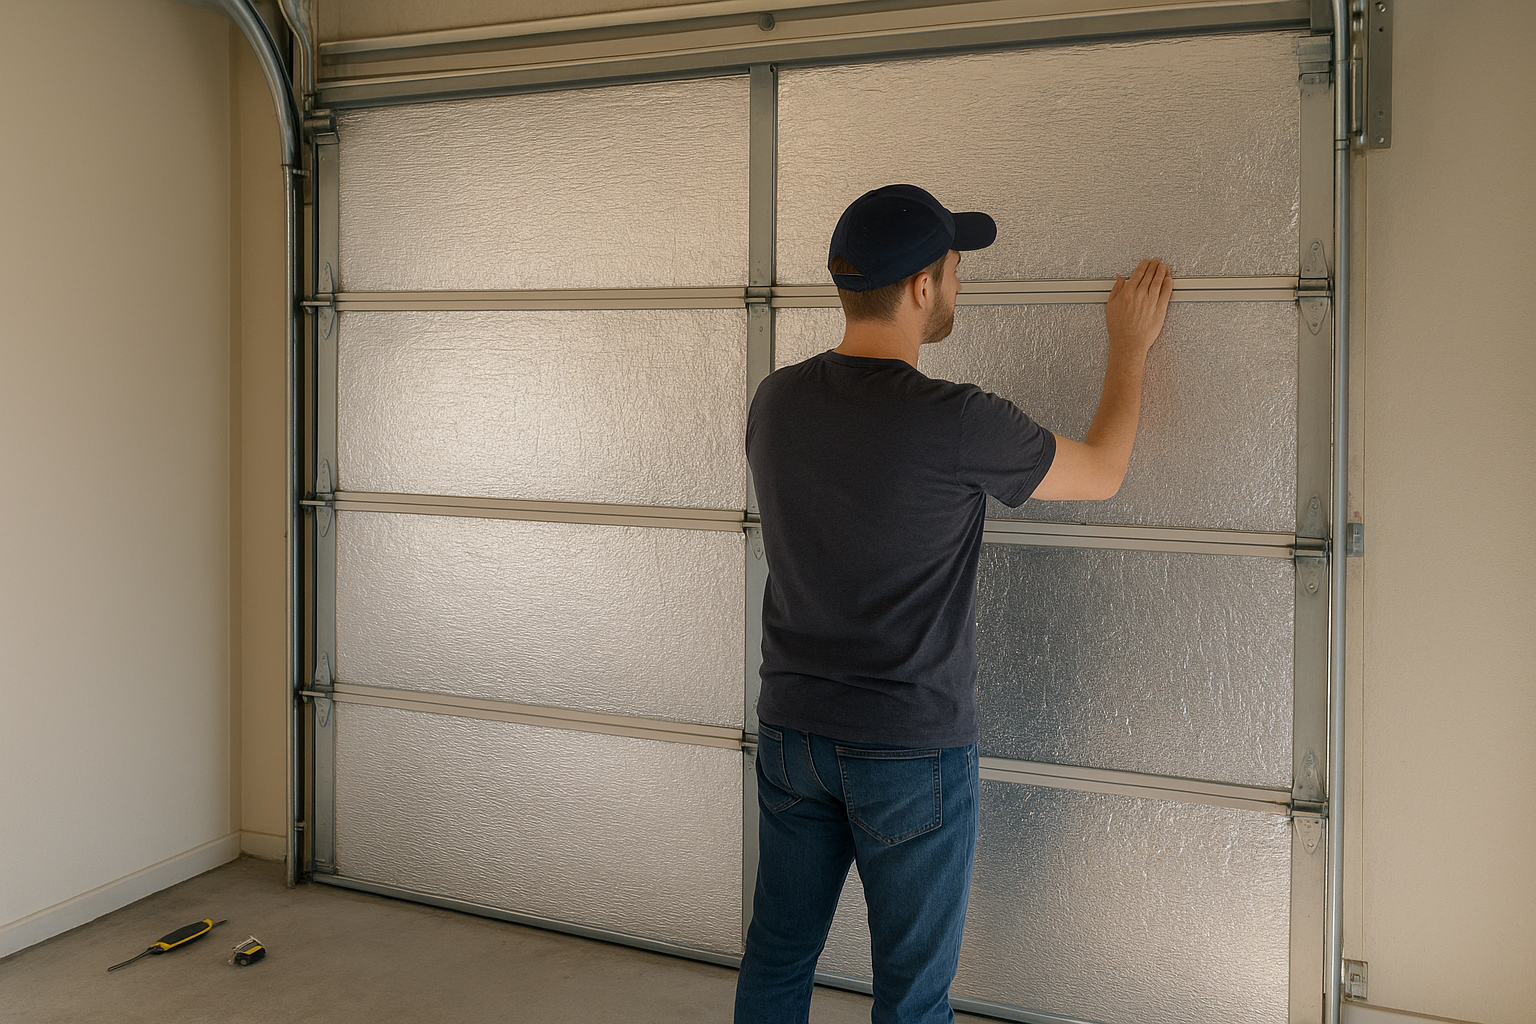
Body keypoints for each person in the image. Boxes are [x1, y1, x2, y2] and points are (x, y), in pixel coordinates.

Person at [734, 184, 1173, 1024]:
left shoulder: (775, 402)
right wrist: (1128, 347)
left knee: (778, 960)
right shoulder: (960, 421)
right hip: (910, 753)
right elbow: (1105, 470)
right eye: (954, 266)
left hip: (794, 737)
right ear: (921, 289)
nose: (960, 281)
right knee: (913, 996)